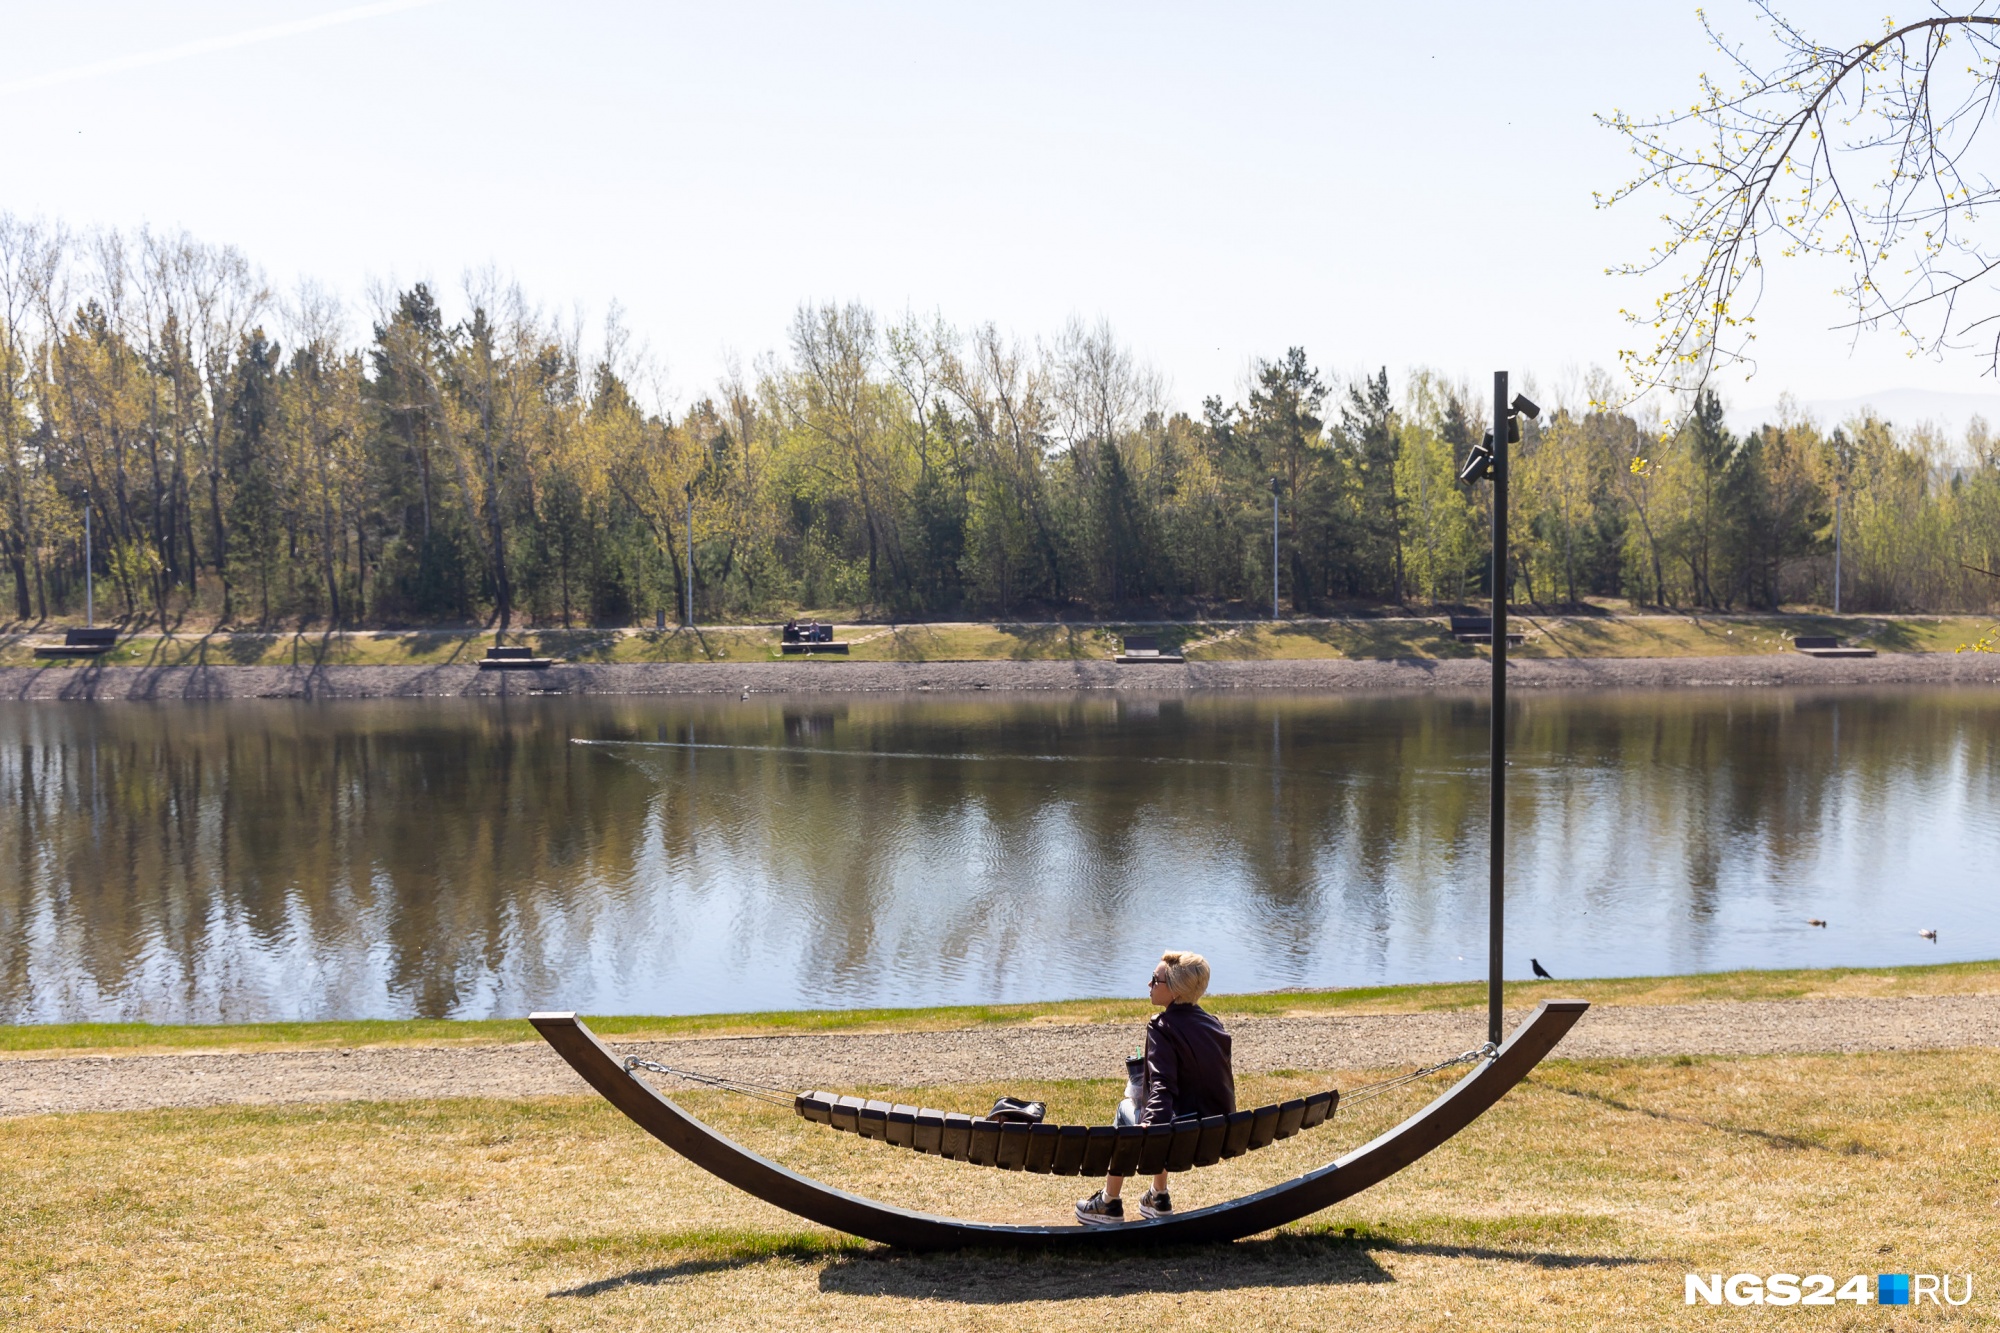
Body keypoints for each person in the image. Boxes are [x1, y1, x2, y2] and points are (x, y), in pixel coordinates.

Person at [1075, 950, 1234, 1225]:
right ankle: (1158, 1196)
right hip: (1213, 1132)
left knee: (1125, 1109)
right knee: (1164, 1117)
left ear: (1174, 989)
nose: (1149, 985)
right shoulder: (1213, 1023)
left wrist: (1150, 1125)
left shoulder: (1162, 1026)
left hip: (1176, 1135)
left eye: (1154, 980)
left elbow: (1162, 1086)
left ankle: (1109, 1203)